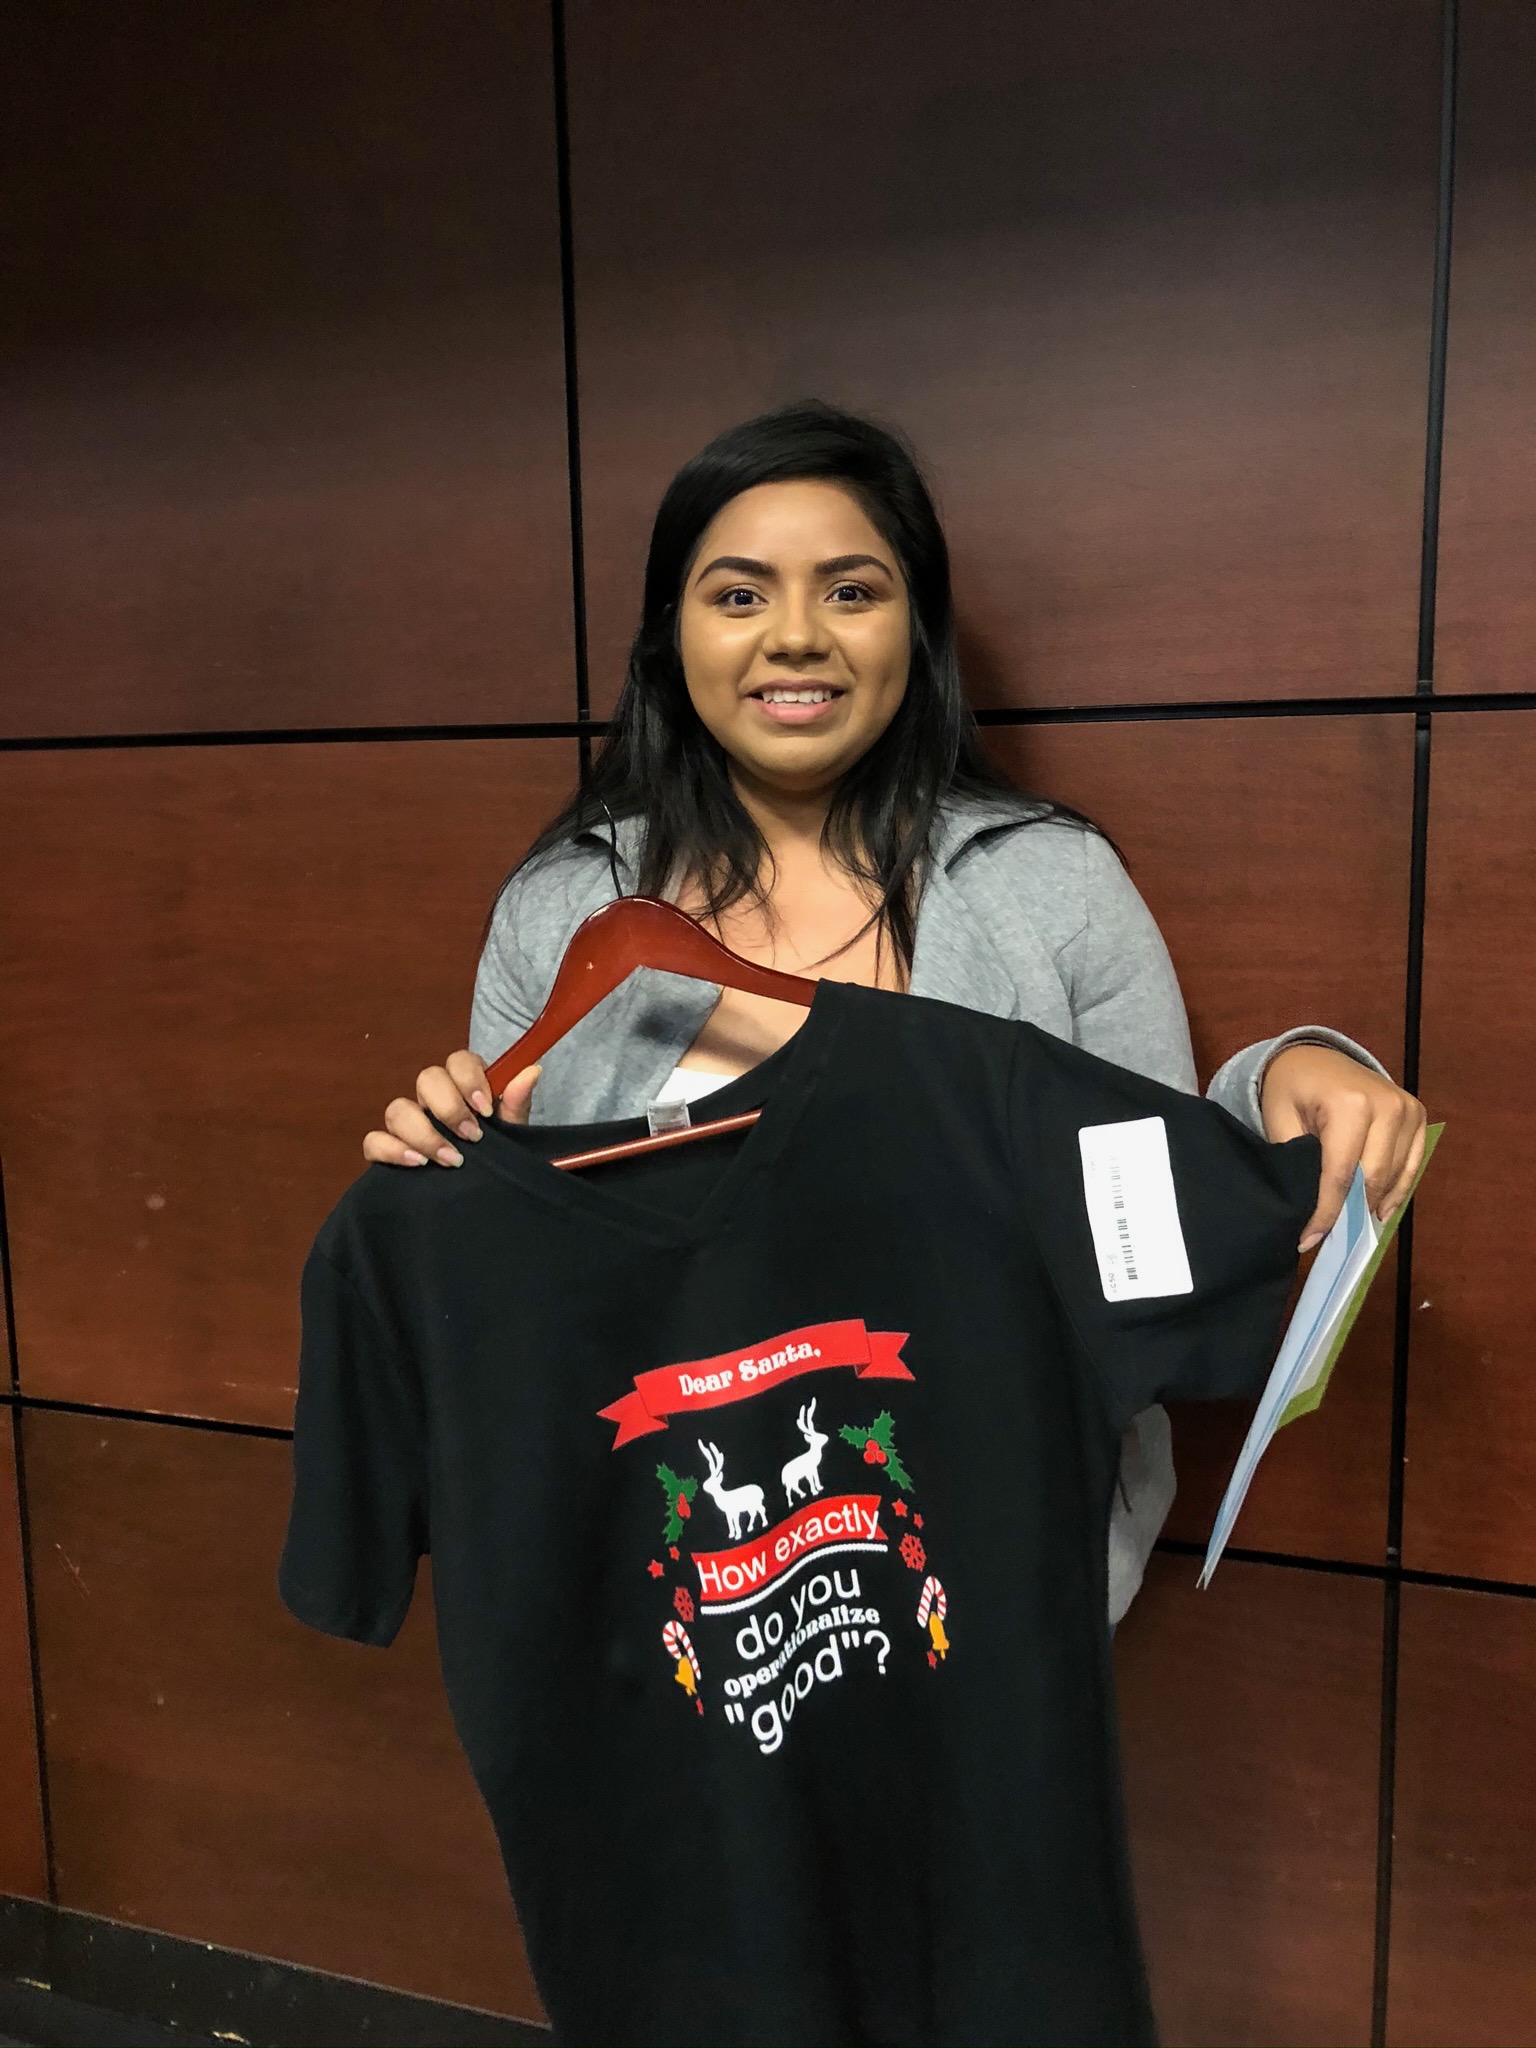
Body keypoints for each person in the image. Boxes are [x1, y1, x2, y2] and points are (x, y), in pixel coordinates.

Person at [361, 402, 1427, 1621]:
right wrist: (442, 1163)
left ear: (916, 627)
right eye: (741, 594)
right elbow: (514, 1286)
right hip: (667, 1585)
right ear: (671, 637)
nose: (797, 637)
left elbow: (1141, 1197)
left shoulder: (1052, 885)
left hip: (974, 1588)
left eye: (852, 591)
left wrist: (1283, 1080)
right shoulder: (565, 907)